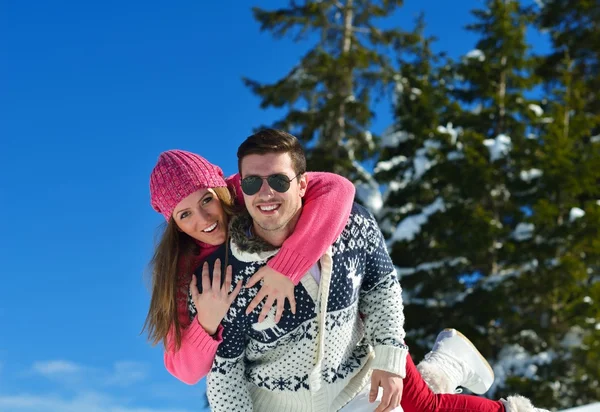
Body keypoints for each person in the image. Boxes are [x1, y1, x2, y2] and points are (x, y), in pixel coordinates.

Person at [201, 129, 549, 412]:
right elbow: (224, 375)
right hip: (280, 407)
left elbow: (382, 291)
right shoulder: (226, 276)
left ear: (303, 184)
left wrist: (390, 359)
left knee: (421, 407)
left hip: (355, 390)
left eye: (278, 181)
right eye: (252, 183)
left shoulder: (352, 226)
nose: (265, 193)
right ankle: (447, 365)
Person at [143, 149, 356, 385]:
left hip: (346, 326)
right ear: (176, 225)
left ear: (220, 189)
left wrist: (287, 266)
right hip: (277, 379)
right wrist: (206, 322)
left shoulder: (249, 191)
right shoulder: (182, 271)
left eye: (206, 200)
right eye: (185, 215)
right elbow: (183, 369)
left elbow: (336, 188)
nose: (204, 219)